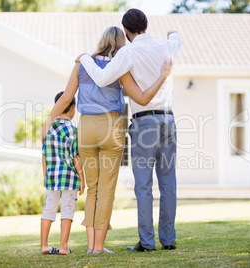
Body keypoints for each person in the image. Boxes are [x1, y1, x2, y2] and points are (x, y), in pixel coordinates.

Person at [40, 26, 173, 254]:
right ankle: (98, 247)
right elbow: (141, 97)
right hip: (111, 129)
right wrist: (162, 76)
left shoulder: (81, 65)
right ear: (121, 45)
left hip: (87, 129)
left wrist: (48, 121)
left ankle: (91, 245)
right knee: (107, 189)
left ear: (101, 42)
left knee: (93, 188)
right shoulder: (120, 68)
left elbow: (65, 99)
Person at [76, 8, 182, 252]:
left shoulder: (128, 52)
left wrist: (84, 58)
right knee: (169, 183)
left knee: (143, 186)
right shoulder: (167, 46)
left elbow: (102, 78)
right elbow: (177, 37)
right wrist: (171, 32)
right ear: (146, 25)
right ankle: (168, 240)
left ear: (125, 30)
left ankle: (147, 243)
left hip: (144, 122)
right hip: (169, 120)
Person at [40, 91, 85, 255]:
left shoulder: (48, 130)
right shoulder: (73, 130)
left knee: (48, 210)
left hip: (52, 178)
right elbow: (76, 158)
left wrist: (45, 175)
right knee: (67, 210)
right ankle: (63, 247)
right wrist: (82, 179)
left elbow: (44, 155)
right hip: (70, 178)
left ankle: (44, 245)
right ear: (73, 108)